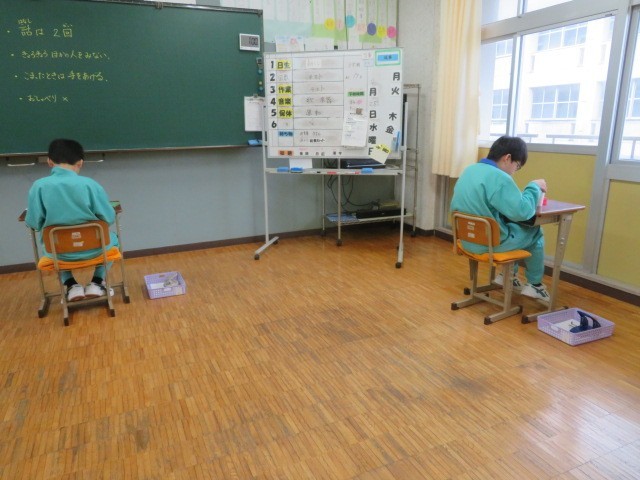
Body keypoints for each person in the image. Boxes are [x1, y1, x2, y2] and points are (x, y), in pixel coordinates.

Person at [450, 135, 549, 303]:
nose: (514, 171)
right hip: (488, 244)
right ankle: (535, 285)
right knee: (535, 232)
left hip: (466, 240)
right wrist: (534, 187)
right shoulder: (499, 178)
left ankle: (507, 276)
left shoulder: (470, 170)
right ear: (507, 158)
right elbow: (522, 212)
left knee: (511, 228)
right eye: (517, 166)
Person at [26, 139, 119, 302]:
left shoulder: (38, 187)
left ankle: (71, 286)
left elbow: (34, 223)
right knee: (113, 239)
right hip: (95, 250)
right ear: (80, 162)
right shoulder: (90, 185)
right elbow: (109, 218)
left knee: (50, 240)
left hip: (59, 254)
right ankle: (97, 282)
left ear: (49, 162)